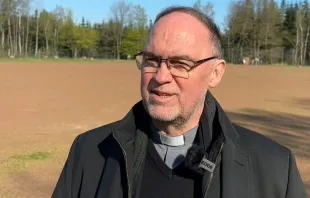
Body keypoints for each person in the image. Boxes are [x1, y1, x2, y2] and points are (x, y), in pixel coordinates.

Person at [51, 6, 307, 198]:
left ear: (216, 73)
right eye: (151, 60)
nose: (161, 76)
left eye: (180, 64)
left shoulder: (274, 168)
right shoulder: (89, 152)